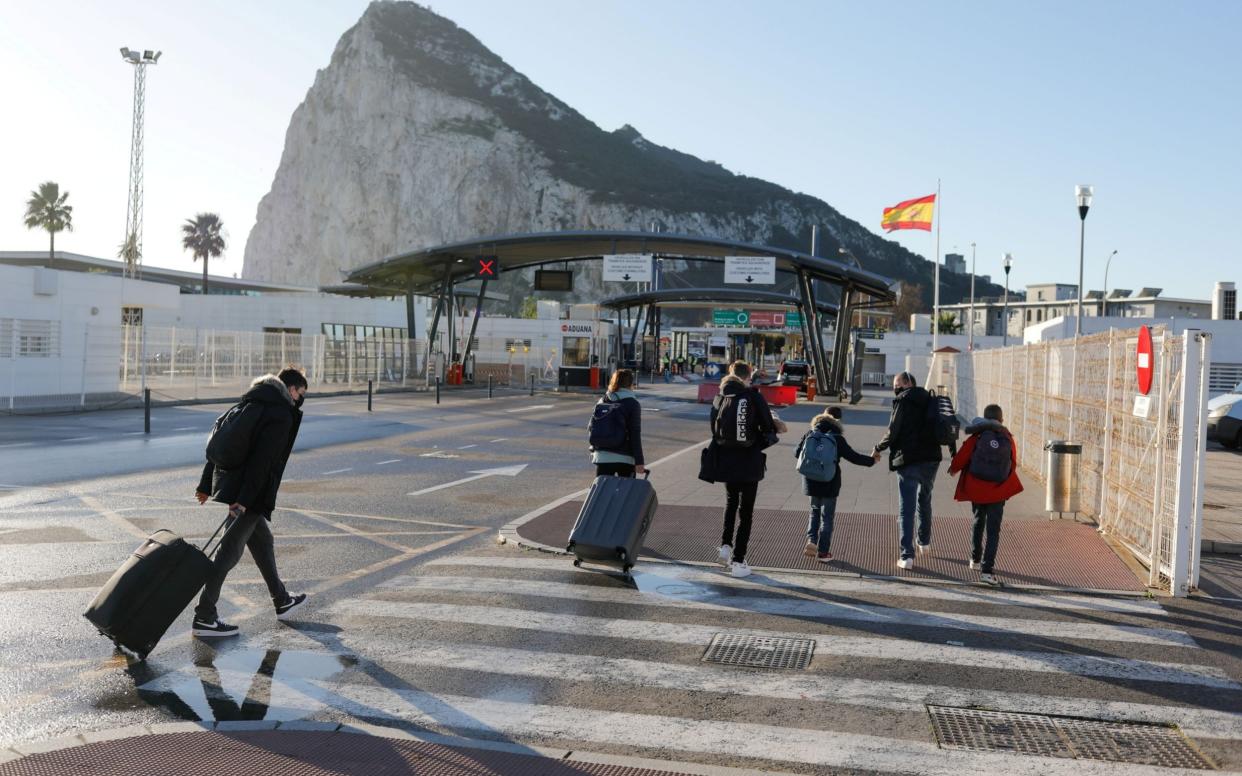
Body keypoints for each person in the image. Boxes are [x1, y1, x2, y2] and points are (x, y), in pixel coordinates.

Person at [192, 368, 310, 637]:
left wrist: (205, 484)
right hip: (249, 495)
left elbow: (222, 443)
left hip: (237, 488)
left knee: (262, 541)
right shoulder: (279, 413)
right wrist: (244, 501)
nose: (300, 401)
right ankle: (204, 617)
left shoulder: (250, 402)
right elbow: (262, 463)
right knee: (228, 554)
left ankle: (281, 599)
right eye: (301, 394)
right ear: (291, 389)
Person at [710, 361, 786, 578]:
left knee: (731, 502)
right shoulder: (752, 396)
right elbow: (767, 426)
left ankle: (725, 546)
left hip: (726, 459)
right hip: (749, 459)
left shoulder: (720, 397)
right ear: (747, 377)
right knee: (746, 511)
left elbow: (714, 430)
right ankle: (739, 561)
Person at [872, 371, 942, 570]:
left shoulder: (902, 401)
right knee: (925, 499)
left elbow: (893, 431)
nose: (896, 388)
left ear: (908, 383)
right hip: (931, 459)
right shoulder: (931, 398)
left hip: (908, 459)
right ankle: (924, 542)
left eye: (898, 384)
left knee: (906, 508)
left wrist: (878, 448)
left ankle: (907, 556)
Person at [948, 404, 1023, 586]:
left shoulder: (978, 435)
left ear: (984, 417)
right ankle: (987, 571)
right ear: (1001, 420)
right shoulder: (1007, 438)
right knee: (993, 530)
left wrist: (953, 469)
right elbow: (1013, 463)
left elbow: (963, 455)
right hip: (998, 490)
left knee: (977, 520)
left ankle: (974, 559)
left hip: (977, 487)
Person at [794, 407, 875, 563]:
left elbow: (797, 454)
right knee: (827, 517)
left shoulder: (810, 434)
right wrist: (872, 461)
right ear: (837, 420)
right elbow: (854, 457)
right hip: (829, 481)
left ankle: (812, 540)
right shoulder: (837, 438)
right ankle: (823, 553)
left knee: (814, 511)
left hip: (811, 480)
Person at [589, 368, 646, 478]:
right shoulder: (632, 404)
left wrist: (594, 448)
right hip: (625, 458)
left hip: (602, 457)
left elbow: (592, 427)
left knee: (602, 493)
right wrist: (639, 462)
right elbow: (635, 434)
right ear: (631, 384)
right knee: (626, 494)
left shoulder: (603, 400)